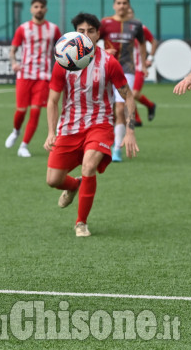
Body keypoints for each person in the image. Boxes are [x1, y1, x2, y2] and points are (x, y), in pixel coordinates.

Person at [44, 13, 138, 237]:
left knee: (89, 166)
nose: (86, 35)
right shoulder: (63, 62)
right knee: (53, 180)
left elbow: (129, 96)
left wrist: (130, 129)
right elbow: (52, 101)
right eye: (81, 31)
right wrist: (51, 132)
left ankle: (81, 223)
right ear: (74, 33)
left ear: (98, 35)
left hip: (100, 125)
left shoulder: (109, 62)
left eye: (91, 31)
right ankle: (74, 185)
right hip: (69, 128)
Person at [5, 0, 62, 157]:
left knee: (36, 111)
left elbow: (63, 47)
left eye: (42, 7)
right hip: (24, 75)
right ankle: (16, 131)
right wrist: (14, 63)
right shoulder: (23, 29)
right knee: (21, 111)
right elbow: (13, 50)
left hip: (43, 76)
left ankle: (24, 146)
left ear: (46, 9)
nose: (39, 9)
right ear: (31, 9)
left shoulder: (53, 29)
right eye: (36, 6)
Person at [99, 0, 146, 162]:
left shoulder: (135, 24)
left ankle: (117, 148)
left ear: (128, 5)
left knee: (120, 108)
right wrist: (102, 53)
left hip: (126, 70)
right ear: (114, 5)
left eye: (124, 3)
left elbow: (142, 44)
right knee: (104, 109)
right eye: (118, 3)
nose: (121, 6)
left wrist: (144, 63)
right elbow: (92, 40)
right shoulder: (105, 23)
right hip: (106, 69)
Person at [127, 7, 157, 126]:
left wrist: (150, 59)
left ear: (133, 14)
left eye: (130, 13)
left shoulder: (140, 28)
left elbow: (153, 42)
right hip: (126, 67)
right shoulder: (119, 29)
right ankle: (137, 120)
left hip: (139, 67)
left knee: (133, 94)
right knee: (127, 94)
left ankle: (150, 105)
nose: (127, 15)